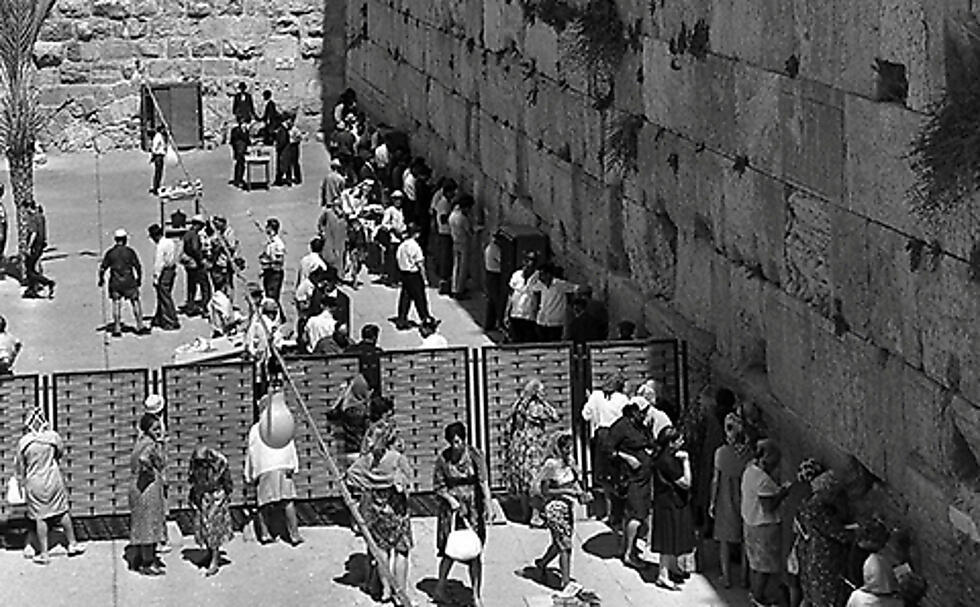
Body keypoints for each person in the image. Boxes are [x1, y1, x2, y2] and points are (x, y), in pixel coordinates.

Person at [345, 423, 414, 605]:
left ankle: (386, 588)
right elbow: (407, 481)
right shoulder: (397, 458)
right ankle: (400, 592)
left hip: (377, 509)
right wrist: (394, 482)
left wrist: (369, 484)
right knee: (401, 551)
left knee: (382, 550)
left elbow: (351, 475)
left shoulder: (366, 460)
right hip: (397, 510)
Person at [16, 408, 85, 565]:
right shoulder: (53, 437)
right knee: (62, 511)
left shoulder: (24, 442)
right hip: (54, 478)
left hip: (35, 481)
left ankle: (44, 553)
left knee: (40, 517)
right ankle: (72, 543)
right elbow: (60, 453)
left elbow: (20, 465)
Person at [433, 421, 492, 607]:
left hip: (473, 508)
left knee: (475, 551)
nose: (455, 446)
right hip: (452, 510)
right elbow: (438, 486)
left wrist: (488, 505)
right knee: (450, 550)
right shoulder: (443, 459)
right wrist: (450, 500)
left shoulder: (475, 455)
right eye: (452, 442)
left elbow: (483, 482)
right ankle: (440, 588)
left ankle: (476, 595)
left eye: (458, 441)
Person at [531, 432, 589, 589]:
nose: (568, 451)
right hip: (554, 507)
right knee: (565, 545)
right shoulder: (551, 465)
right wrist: (566, 491)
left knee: (559, 543)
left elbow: (574, 481)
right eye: (566, 448)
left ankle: (542, 563)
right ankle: (565, 582)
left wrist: (581, 493)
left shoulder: (570, 462)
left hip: (567, 507)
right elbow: (545, 490)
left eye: (570, 447)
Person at [244, 394, 304, 546]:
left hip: (265, 467)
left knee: (263, 503)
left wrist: (249, 474)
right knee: (288, 501)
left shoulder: (255, 429)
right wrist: (293, 465)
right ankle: (294, 535)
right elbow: (290, 446)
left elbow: (252, 452)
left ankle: (265, 534)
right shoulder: (283, 424)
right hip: (283, 465)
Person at [741, 439, 793, 606]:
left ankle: (754, 593)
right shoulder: (762, 480)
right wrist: (783, 493)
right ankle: (759, 597)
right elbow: (769, 506)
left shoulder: (750, 469)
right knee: (763, 567)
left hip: (750, 522)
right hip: (763, 527)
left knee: (755, 564)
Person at [606, 401, 656, 568]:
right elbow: (608, 450)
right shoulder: (621, 427)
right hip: (631, 478)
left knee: (635, 514)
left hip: (643, 477)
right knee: (637, 515)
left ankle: (626, 546)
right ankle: (629, 553)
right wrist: (627, 457)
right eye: (643, 412)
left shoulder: (641, 426)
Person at [505, 379, 559, 526]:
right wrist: (544, 402)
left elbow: (508, 426)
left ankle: (525, 513)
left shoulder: (518, 405)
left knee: (523, 482)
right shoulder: (536, 406)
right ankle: (535, 516)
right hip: (533, 447)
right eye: (542, 390)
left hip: (518, 448)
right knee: (536, 481)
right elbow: (554, 416)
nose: (544, 393)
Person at [797, 470, 853, 607]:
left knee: (811, 596)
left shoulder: (807, 503)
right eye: (832, 494)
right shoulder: (819, 511)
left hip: (808, 553)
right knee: (825, 598)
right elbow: (840, 534)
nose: (834, 497)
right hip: (823, 558)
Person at [709, 412, 752, 588]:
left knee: (724, 540)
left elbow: (716, 480)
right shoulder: (748, 454)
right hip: (744, 497)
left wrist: (712, 501)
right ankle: (744, 577)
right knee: (744, 540)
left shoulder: (721, 453)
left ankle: (726, 577)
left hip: (725, 497)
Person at [651, 425, 695, 590]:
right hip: (669, 503)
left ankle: (673, 567)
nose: (682, 442)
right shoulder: (667, 461)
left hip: (669, 502)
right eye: (679, 440)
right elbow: (686, 483)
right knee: (668, 538)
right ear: (670, 443)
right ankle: (663, 575)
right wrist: (686, 462)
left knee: (674, 534)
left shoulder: (664, 456)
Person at [581, 374, 628, 523]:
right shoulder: (623, 399)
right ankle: (618, 511)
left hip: (601, 435)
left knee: (603, 476)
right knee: (617, 474)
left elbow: (585, 415)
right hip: (617, 434)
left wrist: (591, 403)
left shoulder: (596, 396)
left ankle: (608, 511)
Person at [129, 413, 168, 575]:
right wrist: (151, 471)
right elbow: (144, 459)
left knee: (141, 524)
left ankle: (139, 559)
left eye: (159, 428)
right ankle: (148, 563)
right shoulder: (151, 444)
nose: (158, 432)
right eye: (155, 429)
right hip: (148, 488)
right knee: (149, 526)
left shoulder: (141, 441)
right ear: (147, 429)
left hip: (137, 487)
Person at [187, 446, 234, 576]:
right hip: (202, 496)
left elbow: (227, 482)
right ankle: (209, 553)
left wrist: (225, 496)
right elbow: (192, 481)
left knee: (214, 528)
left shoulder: (220, 464)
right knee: (204, 527)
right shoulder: (195, 464)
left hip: (217, 496)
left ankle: (215, 559)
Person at [99, 228, 149, 337]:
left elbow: (103, 268)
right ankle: (140, 325)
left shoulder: (110, 253)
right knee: (135, 302)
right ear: (125, 239)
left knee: (116, 303)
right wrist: (139, 278)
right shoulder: (130, 252)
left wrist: (101, 279)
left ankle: (117, 328)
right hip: (129, 281)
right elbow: (137, 266)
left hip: (115, 281)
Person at [394, 222, 435, 330]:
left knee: (405, 297)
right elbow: (420, 264)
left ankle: (401, 319)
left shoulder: (402, 245)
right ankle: (425, 318)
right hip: (414, 274)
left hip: (404, 273)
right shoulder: (415, 246)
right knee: (420, 297)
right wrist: (425, 279)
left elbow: (398, 259)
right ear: (416, 234)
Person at [527, 264, 582, 341]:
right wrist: (536, 273)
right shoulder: (541, 285)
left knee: (554, 342)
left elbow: (576, 288)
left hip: (556, 321)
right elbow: (529, 286)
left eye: (543, 274)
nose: (541, 277)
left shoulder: (559, 284)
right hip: (543, 320)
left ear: (548, 274)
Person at [146, 224, 180, 331]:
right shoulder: (170, 242)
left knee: (165, 297)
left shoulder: (161, 246)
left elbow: (159, 263)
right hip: (172, 269)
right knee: (164, 295)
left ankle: (170, 320)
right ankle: (159, 318)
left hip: (164, 272)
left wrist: (156, 277)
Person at [504, 252, 539, 343]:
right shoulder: (516, 275)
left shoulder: (538, 277)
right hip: (515, 314)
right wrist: (506, 313)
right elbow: (511, 294)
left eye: (531, 261)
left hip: (529, 317)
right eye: (526, 260)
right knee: (515, 341)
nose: (528, 263)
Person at [430, 178, 457, 293]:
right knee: (445, 257)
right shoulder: (444, 204)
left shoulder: (445, 202)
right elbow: (443, 219)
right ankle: (444, 281)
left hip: (445, 232)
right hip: (445, 232)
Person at [23, 203, 55, 299]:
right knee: (32, 267)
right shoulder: (40, 216)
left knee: (30, 270)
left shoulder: (33, 218)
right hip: (40, 245)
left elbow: (33, 233)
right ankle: (32, 289)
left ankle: (47, 282)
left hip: (35, 246)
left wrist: (28, 247)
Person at [181, 214, 210, 316]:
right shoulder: (194, 235)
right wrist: (201, 260)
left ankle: (190, 306)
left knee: (191, 287)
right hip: (197, 264)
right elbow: (195, 248)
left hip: (189, 265)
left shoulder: (186, 234)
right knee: (205, 287)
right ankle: (205, 307)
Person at [448, 194, 474, 299]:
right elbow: (470, 231)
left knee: (456, 266)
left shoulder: (452, 215)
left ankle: (454, 288)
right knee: (463, 268)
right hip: (463, 243)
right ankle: (459, 291)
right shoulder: (463, 218)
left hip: (455, 241)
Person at [346, 323, 383, 392]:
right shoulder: (378, 352)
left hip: (352, 388)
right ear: (375, 337)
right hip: (372, 390)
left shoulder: (351, 350)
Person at [380, 191, 407, 286]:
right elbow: (384, 224)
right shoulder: (390, 210)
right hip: (393, 238)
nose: (398, 201)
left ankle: (398, 279)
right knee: (392, 260)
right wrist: (392, 228)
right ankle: (391, 279)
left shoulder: (402, 211)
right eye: (396, 199)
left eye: (400, 199)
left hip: (402, 238)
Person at [259, 217, 286, 309]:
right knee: (268, 296)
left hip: (275, 273)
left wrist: (268, 261)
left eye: (267, 227)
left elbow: (280, 260)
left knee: (273, 299)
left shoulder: (278, 243)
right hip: (268, 272)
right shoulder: (269, 242)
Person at [210, 215, 241, 296]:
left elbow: (231, 247)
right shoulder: (217, 232)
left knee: (227, 284)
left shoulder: (229, 232)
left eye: (218, 222)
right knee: (218, 284)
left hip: (226, 263)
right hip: (217, 262)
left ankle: (229, 299)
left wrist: (222, 243)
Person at [317, 201, 347, 271]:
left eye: (339, 206)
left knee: (340, 258)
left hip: (340, 241)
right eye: (336, 206)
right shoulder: (328, 213)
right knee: (328, 257)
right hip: (329, 239)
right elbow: (320, 223)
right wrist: (322, 232)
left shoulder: (344, 216)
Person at [483, 231, 503, 331]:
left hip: (489, 274)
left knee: (491, 300)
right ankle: (498, 322)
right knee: (496, 300)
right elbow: (501, 260)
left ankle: (489, 324)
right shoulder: (495, 249)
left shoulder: (489, 247)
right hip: (495, 275)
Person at [345, 214, 369, 288]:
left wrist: (365, 250)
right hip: (354, 249)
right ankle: (354, 280)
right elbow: (350, 240)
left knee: (359, 265)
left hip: (361, 249)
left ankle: (354, 275)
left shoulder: (361, 229)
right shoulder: (350, 230)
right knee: (354, 265)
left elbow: (365, 239)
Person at [229, 114, 250, 188]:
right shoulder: (236, 131)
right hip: (239, 151)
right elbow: (233, 141)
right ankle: (237, 180)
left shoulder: (245, 131)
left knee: (242, 165)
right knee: (239, 165)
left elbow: (247, 140)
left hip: (243, 150)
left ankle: (240, 178)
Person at [273, 115, 292, 186]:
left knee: (283, 165)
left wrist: (278, 146)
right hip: (285, 150)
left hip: (283, 150)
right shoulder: (283, 129)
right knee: (285, 165)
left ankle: (280, 180)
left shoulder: (282, 129)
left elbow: (282, 141)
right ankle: (285, 180)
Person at [149, 124, 167, 195]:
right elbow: (155, 147)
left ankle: (157, 186)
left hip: (159, 156)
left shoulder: (160, 136)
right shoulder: (158, 137)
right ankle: (155, 188)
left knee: (159, 172)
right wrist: (154, 155)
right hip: (158, 156)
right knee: (158, 172)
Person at [287, 113, 302, 185]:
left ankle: (298, 178)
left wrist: (295, 139)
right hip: (288, 146)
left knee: (295, 163)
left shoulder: (295, 129)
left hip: (294, 146)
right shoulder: (287, 128)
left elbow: (300, 137)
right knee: (288, 162)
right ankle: (289, 178)